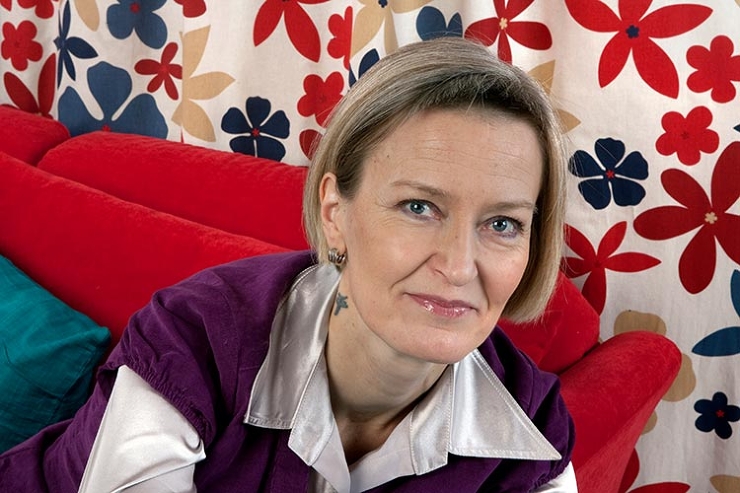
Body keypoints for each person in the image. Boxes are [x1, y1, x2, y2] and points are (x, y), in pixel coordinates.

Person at [0, 37, 576, 492]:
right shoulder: (194, 337)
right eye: (419, 207)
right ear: (334, 213)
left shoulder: (533, 434)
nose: (458, 266)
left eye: (503, 224)